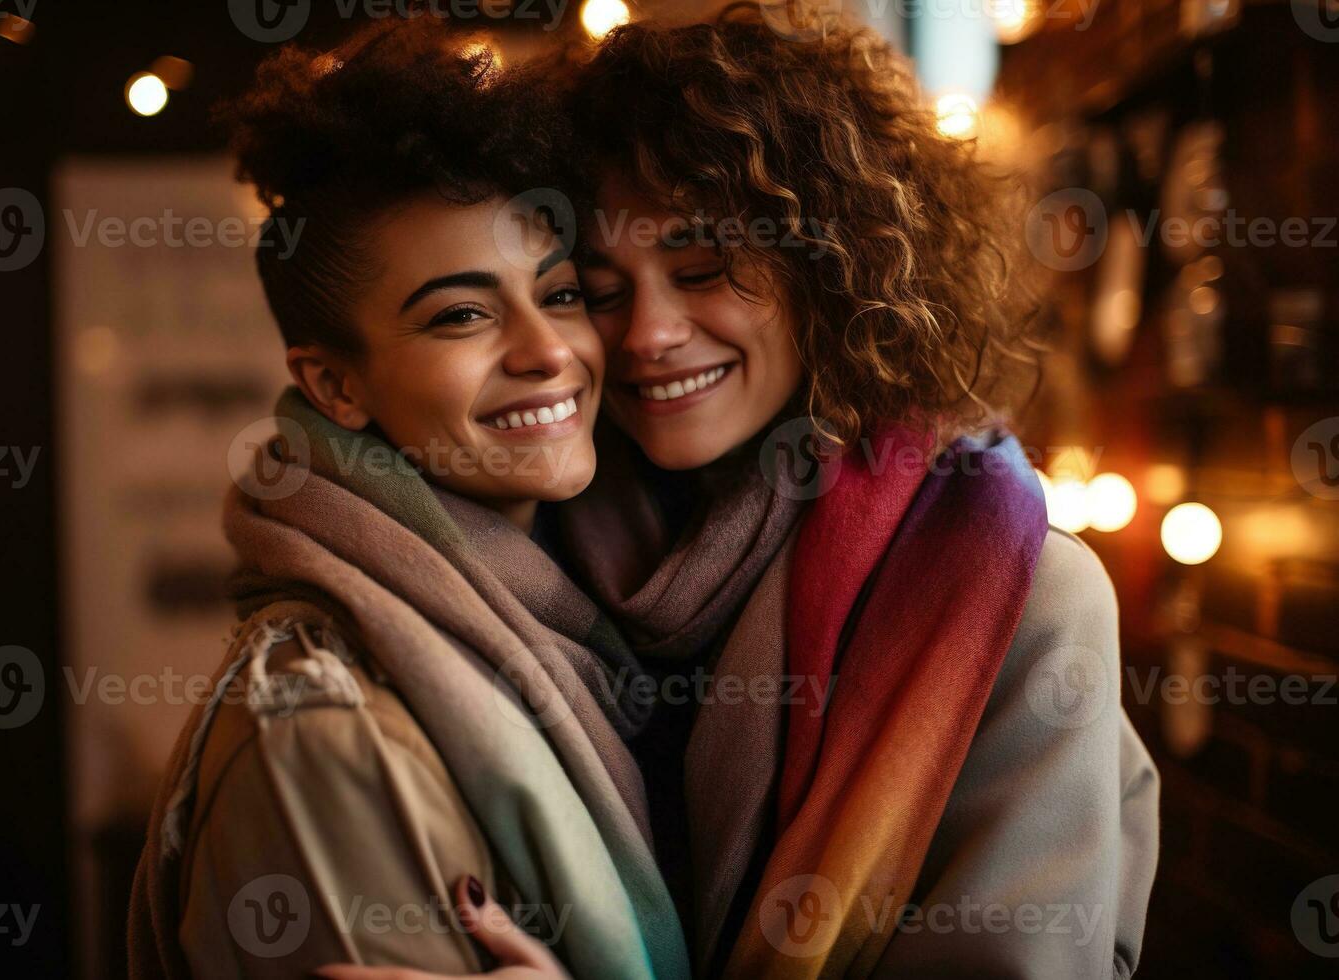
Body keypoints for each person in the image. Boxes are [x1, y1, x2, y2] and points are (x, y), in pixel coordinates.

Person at [328, 5, 1159, 979]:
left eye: (703, 269)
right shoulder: (523, 555)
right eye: (598, 286)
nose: (647, 333)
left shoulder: (1014, 593)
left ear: (827, 268)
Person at [126, 18, 686, 980]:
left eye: (558, 294)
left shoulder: (586, 631)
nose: (548, 351)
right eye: (462, 314)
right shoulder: (318, 732)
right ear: (337, 386)